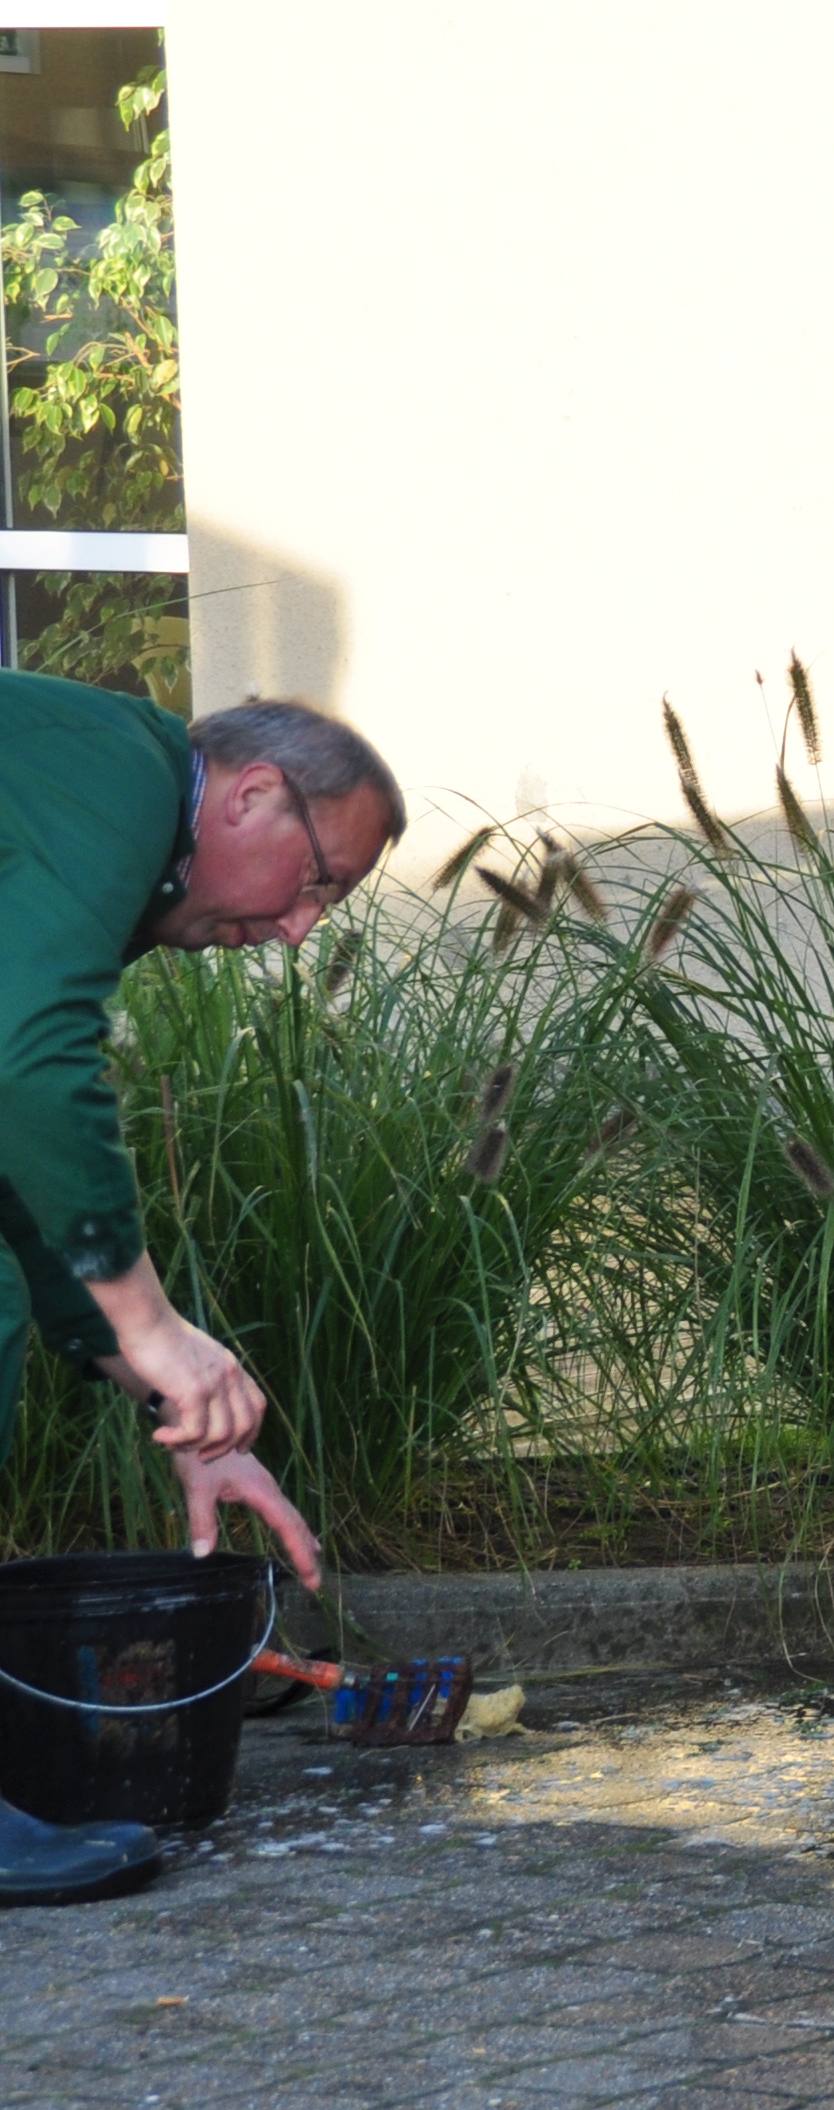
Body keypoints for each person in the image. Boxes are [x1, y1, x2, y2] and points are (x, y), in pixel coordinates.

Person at [0, 679, 381, 1905]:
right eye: (319, 879)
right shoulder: (120, 773)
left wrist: (172, 1399)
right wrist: (150, 1321)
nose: (301, 932)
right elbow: (29, 1061)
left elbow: (14, 1149)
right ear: (254, 792)